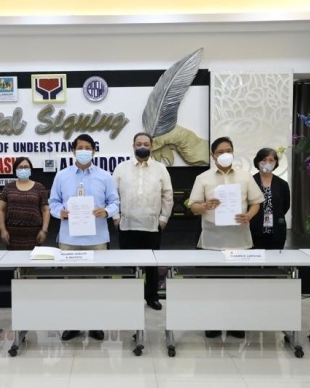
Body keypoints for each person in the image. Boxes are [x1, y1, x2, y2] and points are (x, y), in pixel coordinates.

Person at [188, 136, 264, 339]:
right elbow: (193, 206)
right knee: (211, 285)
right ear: (213, 156)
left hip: (239, 240)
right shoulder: (203, 178)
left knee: (237, 284)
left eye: (228, 150)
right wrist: (205, 206)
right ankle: (212, 322)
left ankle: (235, 323)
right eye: (220, 152)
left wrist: (248, 215)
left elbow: (256, 202)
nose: (225, 154)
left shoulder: (245, 177)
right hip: (212, 240)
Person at [49, 133, 120, 341]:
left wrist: (106, 211)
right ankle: (72, 324)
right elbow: (53, 202)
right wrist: (59, 212)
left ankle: (95, 324)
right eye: (80, 147)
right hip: (69, 240)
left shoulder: (105, 176)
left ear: (94, 151)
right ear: (73, 151)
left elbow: (115, 202)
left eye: (87, 147)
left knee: (97, 283)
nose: (83, 151)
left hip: (97, 239)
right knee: (70, 283)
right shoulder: (61, 176)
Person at [113, 132, 173, 311]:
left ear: (152, 146)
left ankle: (151, 297)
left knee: (151, 266)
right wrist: (116, 217)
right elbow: (112, 195)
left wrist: (163, 218)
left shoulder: (160, 169)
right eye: (139, 143)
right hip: (127, 225)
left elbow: (167, 195)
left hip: (152, 225)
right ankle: (128, 297)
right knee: (128, 264)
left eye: (146, 144)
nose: (142, 147)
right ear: (133, 146)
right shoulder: (121, 168)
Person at [0, 157, 50, 250]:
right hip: (12, 235)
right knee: (14, 262)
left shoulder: (39, 187)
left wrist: (44, 230)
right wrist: (3, 230)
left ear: (30, 170)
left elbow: (45, 210)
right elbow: (1, 210)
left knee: (31, 262)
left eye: (26, 167)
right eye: (20, 167)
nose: (23, 169)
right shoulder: (8, 188)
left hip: (34, 235)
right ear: (15, 170)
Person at [250, 148, 291, 250]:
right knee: (255, 262)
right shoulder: (250, 181)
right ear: (257, 162)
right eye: (264, 160)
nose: (267, 163)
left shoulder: (282, 184)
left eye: (271, 160)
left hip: (276, 230)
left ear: (275, 163)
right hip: (254, 229)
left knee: (274, 262)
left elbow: (285, 205)